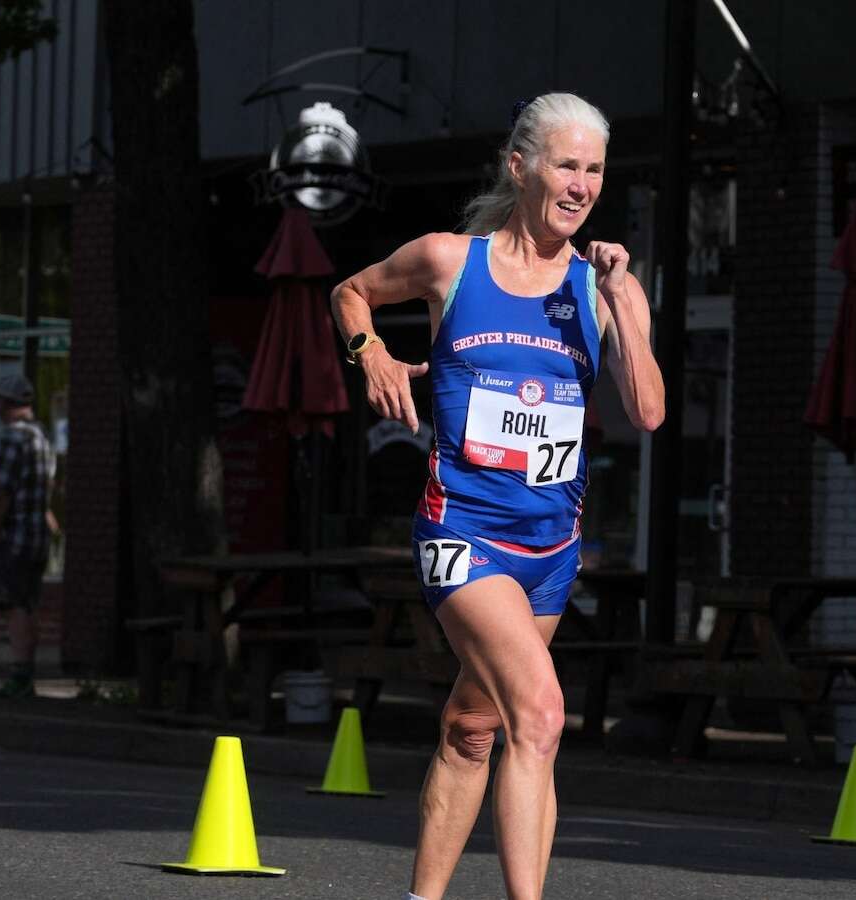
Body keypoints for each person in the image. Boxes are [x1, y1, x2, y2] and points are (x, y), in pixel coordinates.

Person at [331, 93, 664, 900]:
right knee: (541, 715)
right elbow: (350, 292)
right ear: (520, 168)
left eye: (594, 170)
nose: (582, 185)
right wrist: (370, 352)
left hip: (550, 549)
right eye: (566, 165)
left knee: (474, 728)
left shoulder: (601, 286)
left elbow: (649, 411)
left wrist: (623, 303)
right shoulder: (451, 261)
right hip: (463, 535)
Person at [0, 373, 57, 700]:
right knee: (27, 602)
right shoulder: (41, 437)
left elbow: (3, 494)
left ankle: (20, 676)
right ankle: (25, 673)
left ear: (7, 403)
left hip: (14, 537)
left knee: (14, 605)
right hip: (36, 535)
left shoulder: (12, 439)